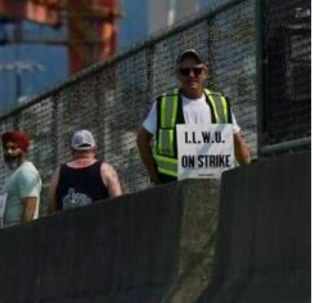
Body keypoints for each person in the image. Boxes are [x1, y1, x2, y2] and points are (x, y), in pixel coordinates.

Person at [136, 49, 251, 184]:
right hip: (173, 187)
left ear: (205, 73)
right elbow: (142, 140)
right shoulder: (164, 104)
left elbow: (237, 142)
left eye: (196, 71)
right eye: (185, 71)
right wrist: (154, 176)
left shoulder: (220, 103)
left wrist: (248, 175)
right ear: (178, 75)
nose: (191, 75)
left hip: (214, 186)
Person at [47, 130, 122, 212]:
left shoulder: (59, 172)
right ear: (94, 148)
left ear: (72, 150)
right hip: (99, 223)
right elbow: (118, 204)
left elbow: (51, 207)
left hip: (67, 224)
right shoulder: (106, 170)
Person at [0, 131, 41, 227]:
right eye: (6, 148)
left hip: (17, 235)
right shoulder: (14, 174)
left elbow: (30, 208)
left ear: (23, 150)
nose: (9, 152)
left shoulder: (26, 172)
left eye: (13, 148)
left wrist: (22, 236)